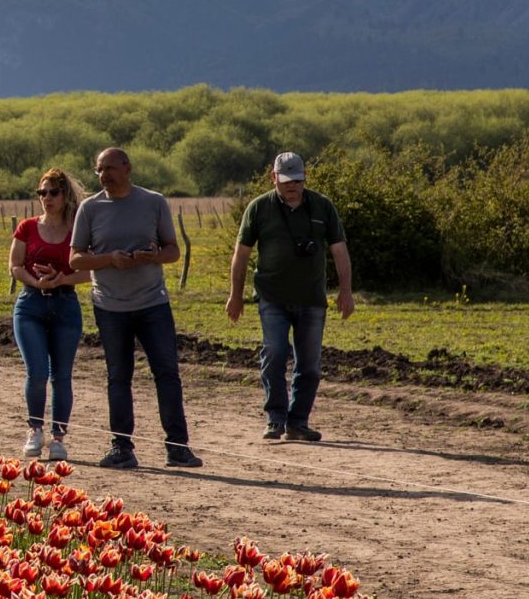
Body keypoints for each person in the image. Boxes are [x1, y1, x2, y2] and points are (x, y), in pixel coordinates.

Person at [69, 147, 199, 470]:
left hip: (152, 302)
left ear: (127, 168)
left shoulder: (153, 202)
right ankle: (122, 447)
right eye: (99, 169)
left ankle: (178, 447)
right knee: (118, 377)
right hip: (110, 306)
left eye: (110, 168)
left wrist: (152, 257)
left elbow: (173, 251)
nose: (104, 175)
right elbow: (75, 258)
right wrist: (109, 259)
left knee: (167, 373)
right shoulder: (89, 208)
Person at [228, 151, 355, 443]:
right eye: (285, 180)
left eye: (297, 180)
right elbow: (241, 255)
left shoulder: (323, 207)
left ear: (304, 177)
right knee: (273, 352)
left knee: (309, 363)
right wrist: (235, 295)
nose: (292, 186)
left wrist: (345, 291)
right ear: (274, 178)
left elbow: (339, 251)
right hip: (272, 296)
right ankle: (276, 418)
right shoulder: (258, 208)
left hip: (312, 298)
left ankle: (298, 422)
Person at [9, 168, 89, 463]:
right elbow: (15, 266)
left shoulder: (77, 229)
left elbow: (89, 271)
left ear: (65, 194)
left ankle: (58, 437)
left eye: (53, 192)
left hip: (65, 304)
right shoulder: (27, 227)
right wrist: (35, 281)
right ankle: (34, 429)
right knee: (37, 372)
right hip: (31, 304)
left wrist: (61, 279)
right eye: (42, 193)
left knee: (62, 376)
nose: (47, 198)